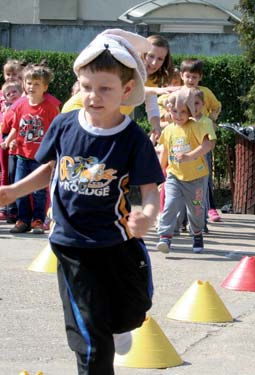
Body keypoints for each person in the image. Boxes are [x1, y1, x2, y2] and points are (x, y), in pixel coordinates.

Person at [0, 29, 164, 374]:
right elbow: (50, 169)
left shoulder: (132, 139)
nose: (94, 97)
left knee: (133, 310)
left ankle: (117, 326)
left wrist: (148, 215)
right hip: (71, 243)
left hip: (118, 242)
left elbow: (149, 188)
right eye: (87, 87)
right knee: (91, 341)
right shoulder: (63, 125)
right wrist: (14, 191)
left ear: (127, 90)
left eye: (105, 88)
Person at [1, 63, 59, 234]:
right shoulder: (20, 104)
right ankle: (22, 220)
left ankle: (38, 221)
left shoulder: (50, 106)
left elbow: (55, 130)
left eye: (36, 84)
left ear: (45, 87)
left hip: (40, 158)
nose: (31, 87)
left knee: (39, 192)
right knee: (20, 189)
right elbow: (16, 127)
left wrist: (53, 153)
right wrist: (8, 141)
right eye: (29, 83)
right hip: (21, 155)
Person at [156, 87, 215, 253]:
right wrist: (159, 174)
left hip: (196, 177)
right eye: (175, 111)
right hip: (174, 175)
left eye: (183, 111)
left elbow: (208, 144)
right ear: (169, 111)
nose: (178, 115)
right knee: (170, 204)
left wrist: (190, 156)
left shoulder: (196, 126)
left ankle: (197, 233)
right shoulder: (168, 130)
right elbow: (165, 152)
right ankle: (165, 237)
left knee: (196, 210)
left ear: (189, 111)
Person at [177, 59, 223, 224]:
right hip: (182, 140)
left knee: (203, 175)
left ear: (200, 77)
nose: (190, 80)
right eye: (188, 76)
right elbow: (166, 105)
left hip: (201, 139)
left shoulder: (204, 92)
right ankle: (182, 216)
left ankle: (206, 210)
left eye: (194, 77)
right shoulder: (178, 93)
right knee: (180, 176)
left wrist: (211, 119)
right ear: (182, 75)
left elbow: (217, 106)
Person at [0, 80, 23, 222]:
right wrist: (8, 141)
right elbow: (6, 130)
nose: (11, 95)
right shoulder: (7, 110)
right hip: (10, 149)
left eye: (14, 91)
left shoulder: (23, 106)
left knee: (18, 179)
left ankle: (18, 210)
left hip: (23, 148)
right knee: (9, 175)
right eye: (8, 94)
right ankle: (10, 208)